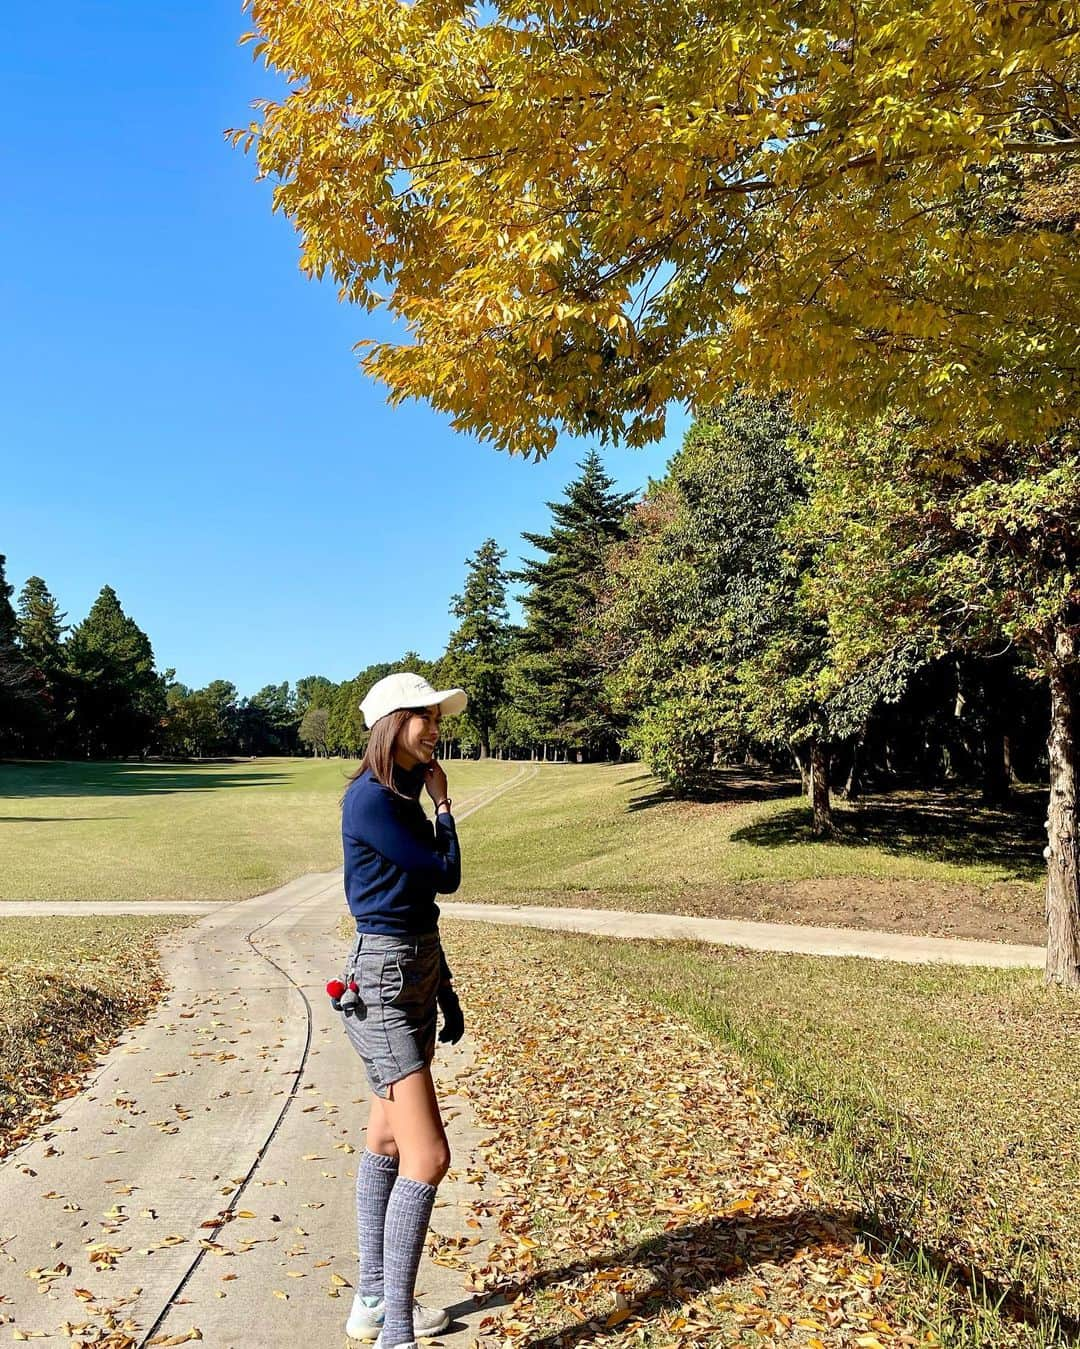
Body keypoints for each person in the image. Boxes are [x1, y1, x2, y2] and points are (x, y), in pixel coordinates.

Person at [338, 671, 469, 1349]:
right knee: (429, 1154)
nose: (436, 726)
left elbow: (419, 903)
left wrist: (442, 986)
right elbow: (442, 872)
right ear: (393, 722)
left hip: (412, 971)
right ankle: (394, 1331)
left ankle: (373, 1302)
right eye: (424, 716)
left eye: (437, 716)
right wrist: (446, 806)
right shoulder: (372, 802)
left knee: (388, 1140)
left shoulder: (393, 793)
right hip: (384, 983)